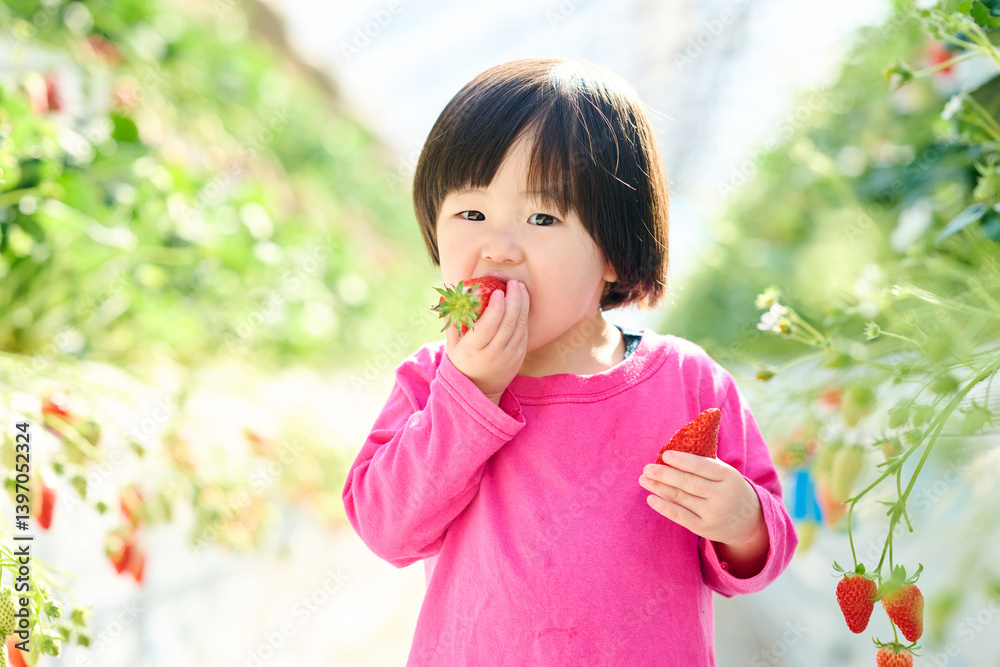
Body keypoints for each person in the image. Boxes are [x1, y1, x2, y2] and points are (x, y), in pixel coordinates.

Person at [342, 57, 797, 666]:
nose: (499, 248)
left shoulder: (688, 383)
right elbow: (386, 528)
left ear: (613, 250)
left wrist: (743, 524)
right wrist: (470, 392)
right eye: (471, 214)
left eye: (542, 218)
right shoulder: (434, 380)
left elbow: (764, 544)